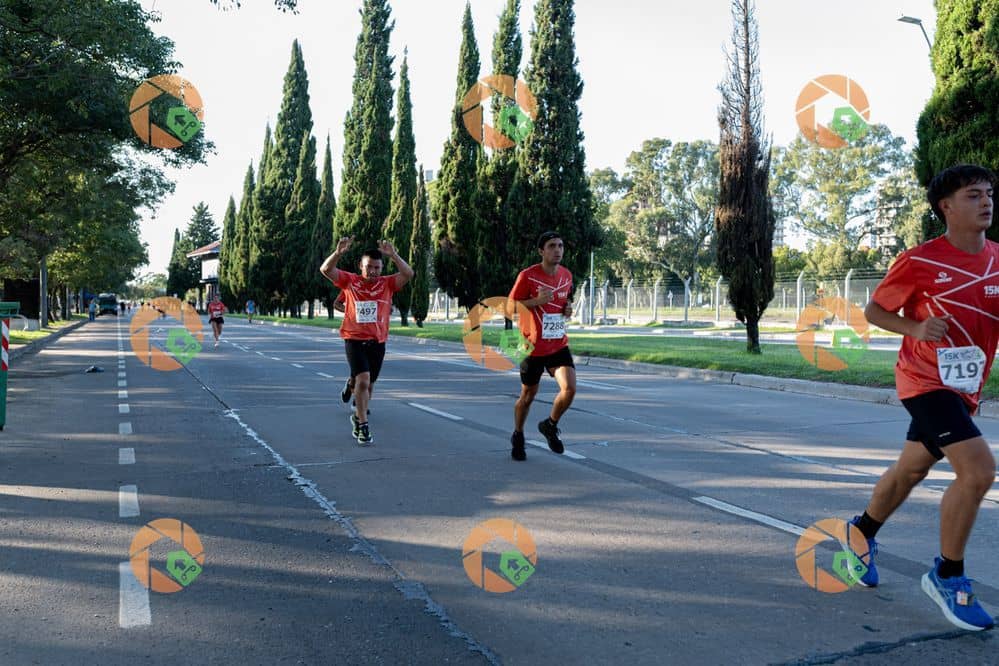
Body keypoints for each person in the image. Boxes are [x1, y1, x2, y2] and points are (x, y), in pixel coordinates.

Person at [850, 164, 996, 631]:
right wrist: (914, 327)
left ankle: (861, 532)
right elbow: (875, 310)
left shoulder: (997, 258)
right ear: (946, 207)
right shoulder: (920, 261)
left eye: (988, 193)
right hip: (924, 381)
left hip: (964, 389)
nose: (986, 201)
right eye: (973, 195)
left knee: (911, 469)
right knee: (978, 470)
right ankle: (947, 575)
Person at [319, 237, 413, 445]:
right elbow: (325, 270)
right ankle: (363, 425)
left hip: (377, 342)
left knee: (368, 384)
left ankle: (353, 398)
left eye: (377, 267)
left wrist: (394, 255)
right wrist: (338, 253)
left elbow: (408, 274)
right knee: (363, 380)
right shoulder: (350, 281)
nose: (373, 271)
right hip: (354, 340)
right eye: (369, 267)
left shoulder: (387, 284)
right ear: (360, 266)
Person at [508, 231, 577, 462]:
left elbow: (565, 302)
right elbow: (509, 308)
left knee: (569, 389)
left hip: (557, 344)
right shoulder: (527, 276)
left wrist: (568, 309)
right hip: (532, 346)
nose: (557, 250)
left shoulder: (566, 275)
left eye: (560, 245)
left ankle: (550, 425)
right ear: (541, 251)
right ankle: (518, 434)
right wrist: (536, 301)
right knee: (528, 396)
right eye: (551, 246)